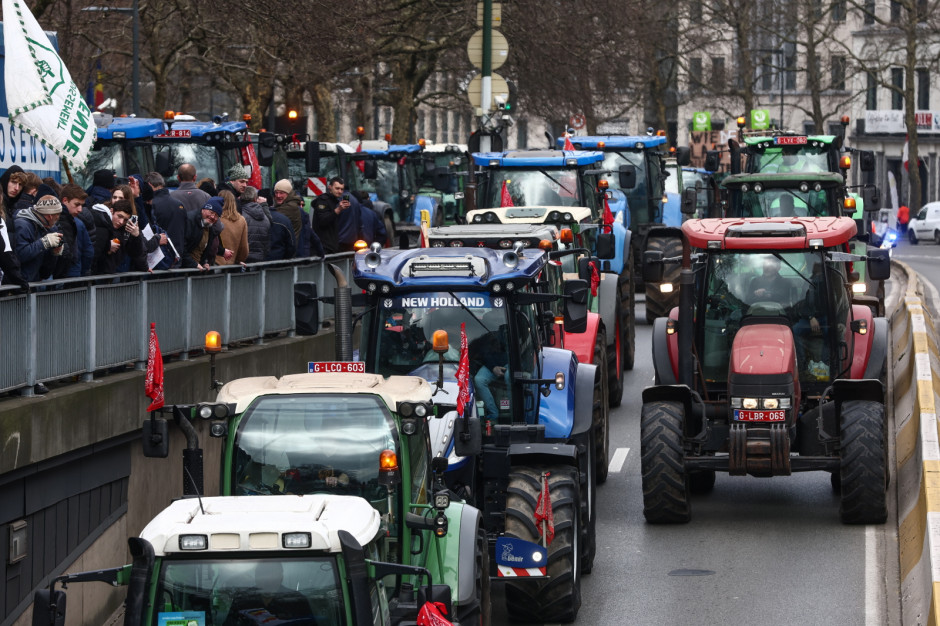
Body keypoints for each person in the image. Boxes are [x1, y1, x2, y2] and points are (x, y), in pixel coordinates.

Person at [223, 561, 313, 626]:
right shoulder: (242, 600)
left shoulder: (297, 601)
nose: (267, 581)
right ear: (256, 577)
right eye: (262, 575)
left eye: (272, 575)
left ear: (281, 576)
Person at [14, 195, 64, 282]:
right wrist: (43, 243)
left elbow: (45, 270)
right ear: (50, 216)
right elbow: (19, 255)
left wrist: (54, 252)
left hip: (35, 281)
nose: (58, 218)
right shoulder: (22, 225)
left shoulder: (48, 227)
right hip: (20, 284)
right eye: (58, 215)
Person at [90, 199, 144, 275]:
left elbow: (135, 253)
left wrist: (136, 236)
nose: (121, 222)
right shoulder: (101, 224)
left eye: (125, 220)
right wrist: (107, 246)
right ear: (111, 211)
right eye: (119, 216)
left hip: (112, 273)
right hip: (98, 273)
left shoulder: (125, 231)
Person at [55, 184, 95, 277]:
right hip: (72, 272)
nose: (80, 209)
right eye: (77, 205)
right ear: (65, 200)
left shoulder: (78, 223)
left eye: (82, 205)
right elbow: (88, 252)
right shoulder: (77, 223)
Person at [146, 171, 185, 268]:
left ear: (149, 185)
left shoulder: (151, 205)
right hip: (178, 256)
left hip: (159, 259)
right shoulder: (179, 204)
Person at [313, 176, 354, 254]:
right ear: (330, 187)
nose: (340, 191)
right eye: (337, 188)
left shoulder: (335, 201)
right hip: (324, 246)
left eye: (342, 189)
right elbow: (323, 221)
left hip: (331, 245)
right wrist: (338, 209)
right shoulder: (323, 201)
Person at [182, 197, 224, 269]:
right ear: (203, 209)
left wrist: (204, 262)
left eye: (217, 215)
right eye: (211, 212)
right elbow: (181, 247)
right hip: (184, 269)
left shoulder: (209, 227)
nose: (213, 217)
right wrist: (193, 264)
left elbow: (204, 249)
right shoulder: (190, 221)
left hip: (195, 269)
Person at [216, 190, 249, 265]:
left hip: (216, 263)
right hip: (232, 263)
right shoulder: (241, 220)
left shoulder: (216, 218)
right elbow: (244, 248)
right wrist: (238, 260)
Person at [241, 186, 271, 263]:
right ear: (255, 199)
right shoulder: (265, 217)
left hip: (244, 259)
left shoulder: (240, 215)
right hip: (260, 258)